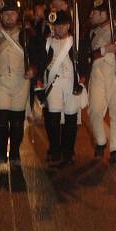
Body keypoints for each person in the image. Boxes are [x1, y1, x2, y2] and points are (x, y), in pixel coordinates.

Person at [0, 0, 36, 164]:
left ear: (18, 16)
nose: (9, 17)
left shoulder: (27, 35)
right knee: (1, 120)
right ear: (1, 16)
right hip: (0, 81)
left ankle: (14, 152)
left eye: (12, 14)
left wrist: (33, 69)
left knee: (16, 121)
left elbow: (38, 55)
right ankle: (1, 152)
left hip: (20, 82)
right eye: (6, 14)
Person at [35, 10, 87, 166]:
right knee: (53, 118)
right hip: (54, 83)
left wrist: (82, 81)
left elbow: (83, 62)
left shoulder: (74, 42)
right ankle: (55, 150)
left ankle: (68, 151)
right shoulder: (47, 42)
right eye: (57, 26)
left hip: (71, 81)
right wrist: (38, 83)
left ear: (69, 26)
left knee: (71, 119)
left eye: (63, 25)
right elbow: (41, 62)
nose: (60, 29)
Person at [86, 0, 116, 164]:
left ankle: (115, 148)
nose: (91, 15)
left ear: (104, 14)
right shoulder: (90, 33)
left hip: (114, 73)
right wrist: (103, 50)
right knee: (95, 110)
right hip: (97, 73)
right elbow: (86, 56)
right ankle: (101, 142)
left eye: (94, 13)